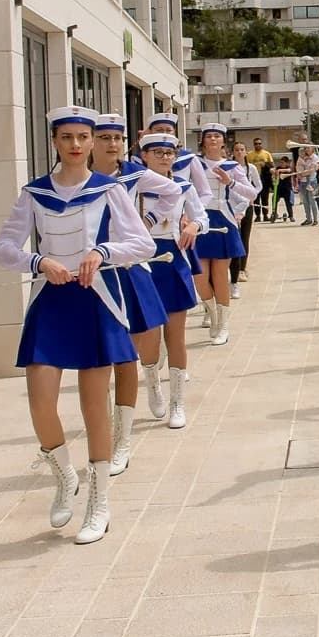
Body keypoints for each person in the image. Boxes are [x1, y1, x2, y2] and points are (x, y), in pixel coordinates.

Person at [0, 105, 155, 544]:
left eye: (84, 137)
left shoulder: (109, 190)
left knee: (93, 405)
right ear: (55, 142)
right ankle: (64, 475)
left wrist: (102, 252)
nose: (77, 145)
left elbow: (141, 242)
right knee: (40, 400)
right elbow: (2, 247)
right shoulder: (34, 193)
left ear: (92, 141)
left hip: (96, 300)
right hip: (51, 302)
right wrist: (37, 260)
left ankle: (99, 503)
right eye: (67, 138)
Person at [91, 114, 173, 474]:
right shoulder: (76, 181)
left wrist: (149, 224)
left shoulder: (133, 174)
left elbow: (174, 191)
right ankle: (116, 438)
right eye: (105, 137)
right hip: (93, 275)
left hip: (129, 268)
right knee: (110, 357)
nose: (112, 144)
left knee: (141, 347)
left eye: (118, 138)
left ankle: (152, 381)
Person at [130, 132, 205, 431]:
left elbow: (201, 216)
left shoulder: (183, 186)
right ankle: (153, 386)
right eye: (157, 152)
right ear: (144, 156)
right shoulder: (131, 187)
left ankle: (178, 400)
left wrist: (195, 226)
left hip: (172, 259)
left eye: (169, 152)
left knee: (176, 334)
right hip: (141, 260)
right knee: (148, 333)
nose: (164, 157)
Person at [192, 125, 258, 346]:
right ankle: (211, 312)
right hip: (198, 221)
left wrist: (230, 182)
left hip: (223, 221)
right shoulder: (193, 163)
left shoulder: (232, 166)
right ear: (202, 141)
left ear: (223, 142)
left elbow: (251, 193)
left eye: (217, 136)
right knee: (199, 275)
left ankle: (224, 324)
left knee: (221, 275)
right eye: (208, 136)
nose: (212, 139)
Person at [228, 140, 258, 287]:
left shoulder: (250, 168)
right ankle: (232, 267)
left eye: (242, 149)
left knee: (245, 237)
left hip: (248, 205)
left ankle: (242, 268)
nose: (239, 152)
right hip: (233, 206)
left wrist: (252, 197)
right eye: (236, 149)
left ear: (246, 152)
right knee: (235, 237)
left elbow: (258, 185)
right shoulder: (229, 167)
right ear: (232, 152)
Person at [297, 145, 319, 226]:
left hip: (312, 182)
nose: (306, 150)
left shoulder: (315, 157)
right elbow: (299, 171)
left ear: (312, 149)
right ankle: (308, 219)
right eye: (305, 148)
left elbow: (313, 170)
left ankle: (315, 219)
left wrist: (304, 173)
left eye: (308, 148)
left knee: (312, 201)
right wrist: (303, 173)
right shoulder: (301, 158)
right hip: (303, 182)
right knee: (305, 202)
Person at [246, 137, 275, 220]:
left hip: (264, 178)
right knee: (256, 198)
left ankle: (265, 215)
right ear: (253, 145)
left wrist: (265, 165)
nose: (258, 145)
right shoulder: (249, 155)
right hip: (254, 179)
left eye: (259, 143)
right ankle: (258, 216)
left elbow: (272, 166)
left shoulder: (266, 154)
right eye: (256, 144)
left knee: (265, 198)